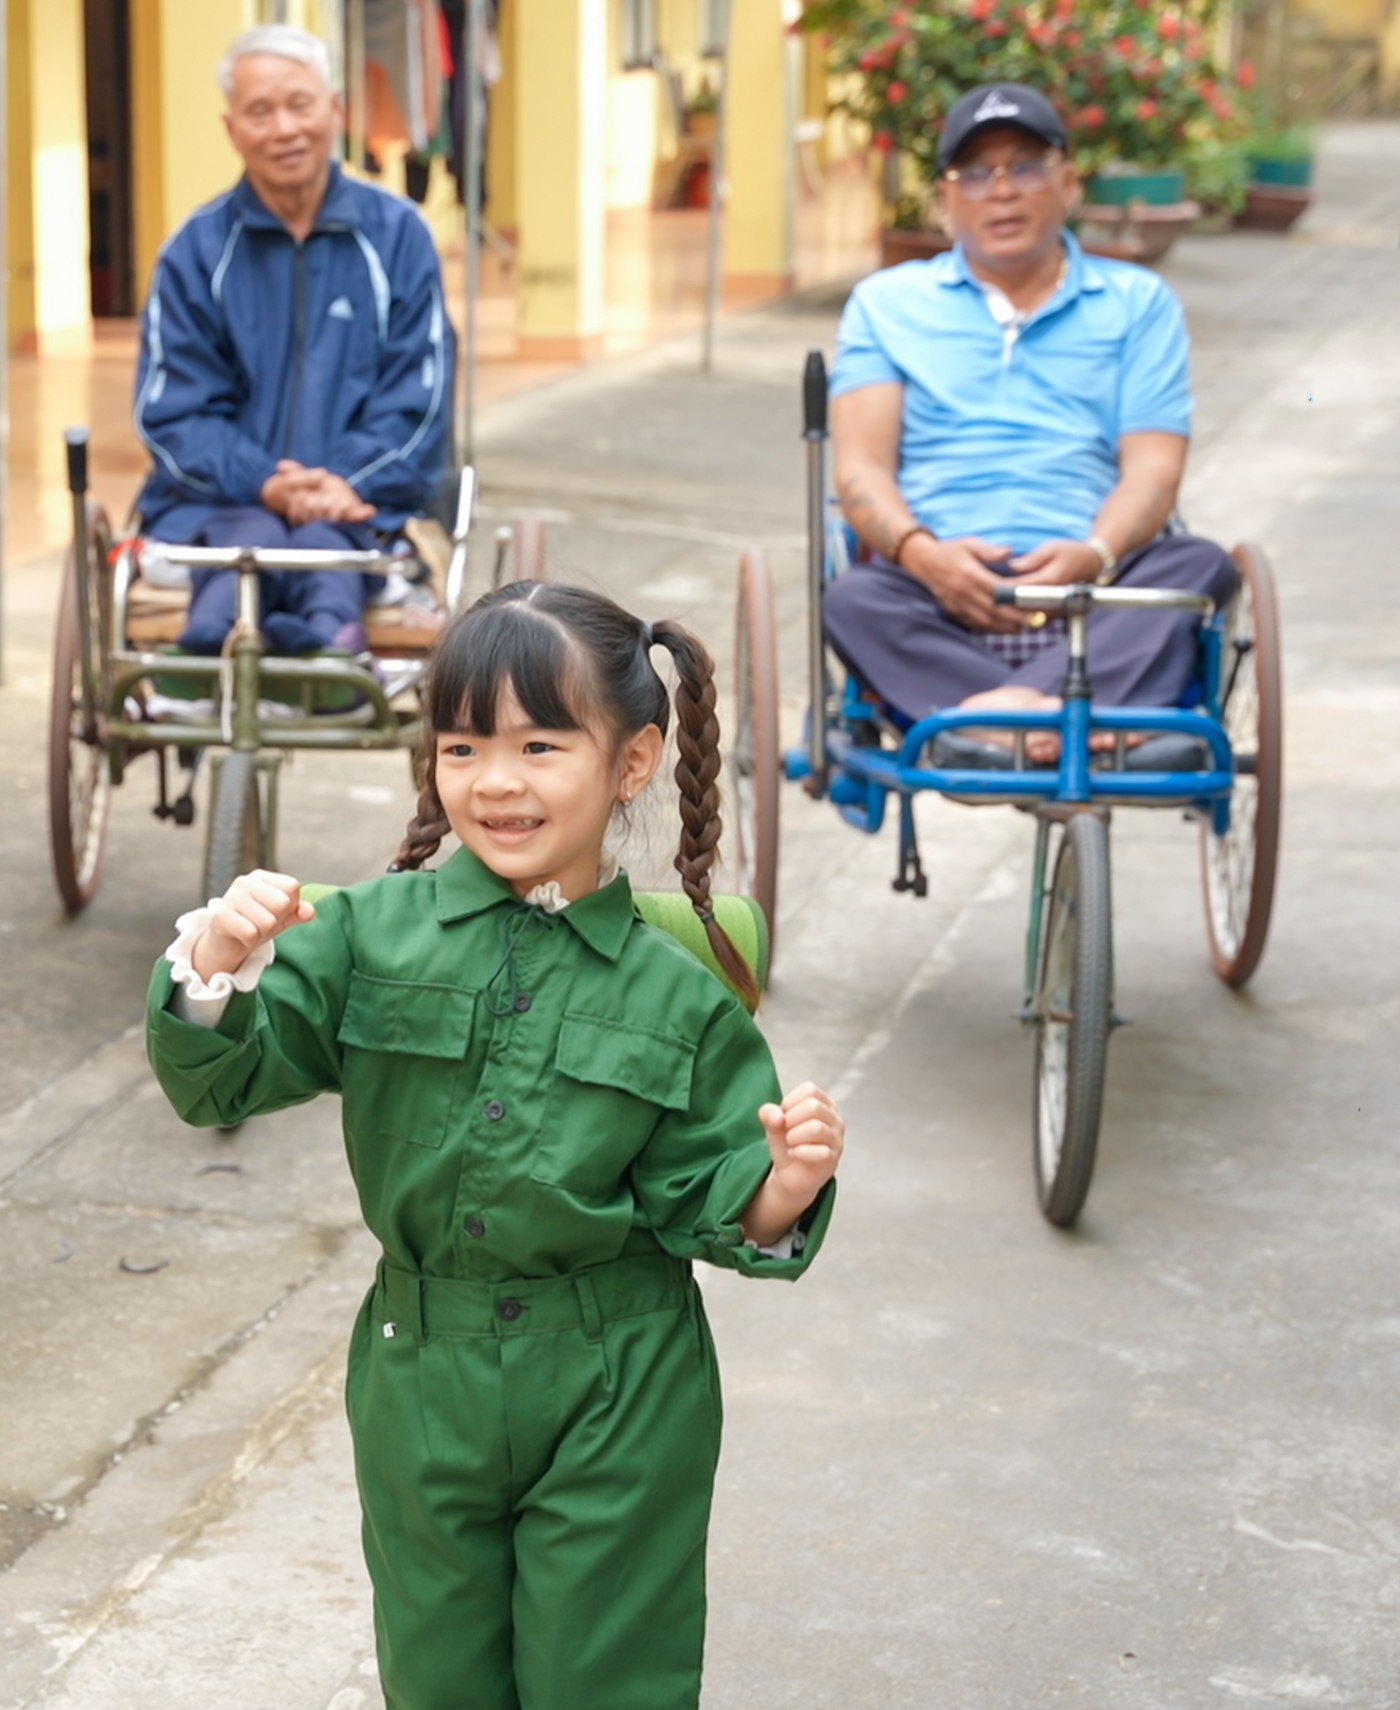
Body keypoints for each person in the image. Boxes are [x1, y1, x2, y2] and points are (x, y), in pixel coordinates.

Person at [145, 580, 845, 1708]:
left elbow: (713, 1204)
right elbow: (222, 1075)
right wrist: (219, 966)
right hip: (422, 1367)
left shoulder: (680, 993)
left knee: (604, 1679)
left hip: (620, 1378)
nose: (496, 781)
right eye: (462, 745)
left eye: (538, 744)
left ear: (631, 762)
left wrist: (786, 1181)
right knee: (437, 1678)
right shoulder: (367, 934)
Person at [824, 82, 1238, 763]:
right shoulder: (885, 305)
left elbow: (1155, 468)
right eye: (976, 173)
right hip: (937, 589)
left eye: (1025, 166)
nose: (1002, 190)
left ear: (1069, 183)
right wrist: (928, 559)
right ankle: (1081, 716)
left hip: (1098, 590)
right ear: (946, 197)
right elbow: (861, 469)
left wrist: (1097, 556)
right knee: (853, 597)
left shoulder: (1138, 303)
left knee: (1202, 565)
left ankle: (991, 721)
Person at [131, 23, 453, 661]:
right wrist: (264, 482)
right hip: (221, 505)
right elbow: (173, 410)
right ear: (231, 130)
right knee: (245, 545)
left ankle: (330, 654)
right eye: (260, 111)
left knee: (326, 548)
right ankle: (207, 658)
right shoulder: (194, 252)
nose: (283, 128)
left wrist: (341, 481)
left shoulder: (398, 238)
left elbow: (420, 397)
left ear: (335, 110)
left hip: (361, 507)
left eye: (300, 105)